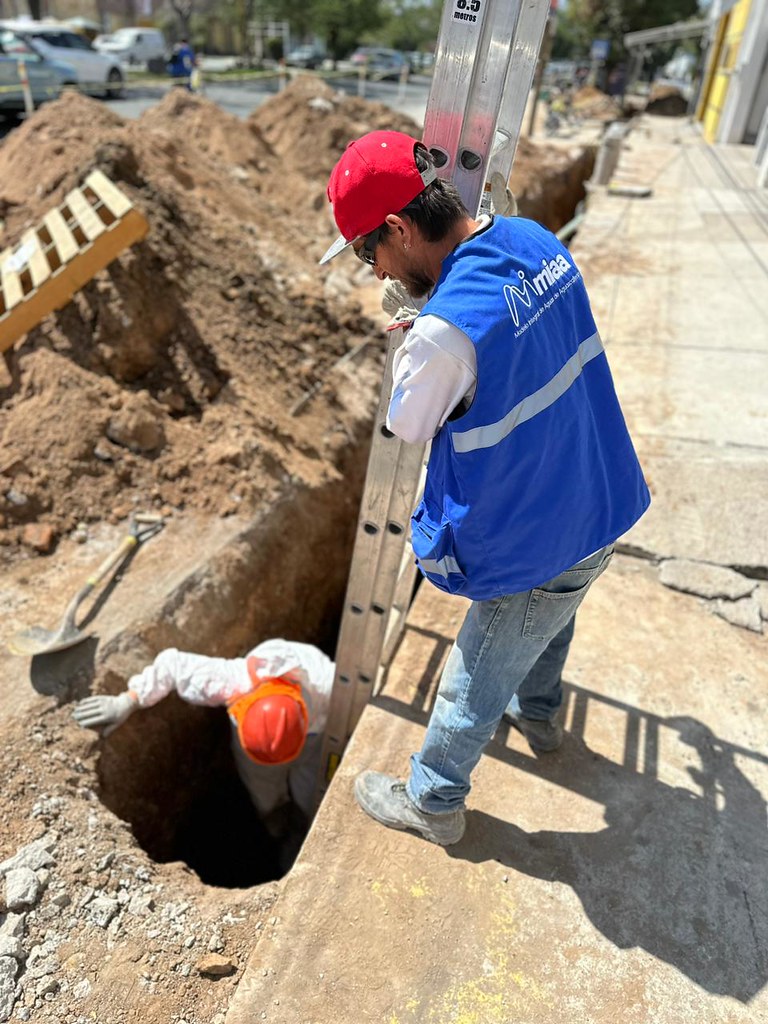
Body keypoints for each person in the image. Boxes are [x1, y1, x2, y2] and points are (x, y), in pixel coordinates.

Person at [318, 130, 650, 846]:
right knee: (557, 611)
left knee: (482, 658)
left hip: (539, 530)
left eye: (365, 251)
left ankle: (434, 801)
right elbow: (516, 335)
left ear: (400, 230)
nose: (370, 266)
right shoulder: (535, 239)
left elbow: (410, 423)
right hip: (599, 492)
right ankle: (541, 715)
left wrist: (418, 332)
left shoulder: (441, 333)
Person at [73, 639, 333, 836]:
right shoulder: (234, 681)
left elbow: (367, 690)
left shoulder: (327, 683)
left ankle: (307, 828)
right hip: (269, 744)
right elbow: (172, 666)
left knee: (312, 791)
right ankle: (276, 823)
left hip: (313, 738)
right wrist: (129, 700)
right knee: (264, 789)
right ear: (241, 706)